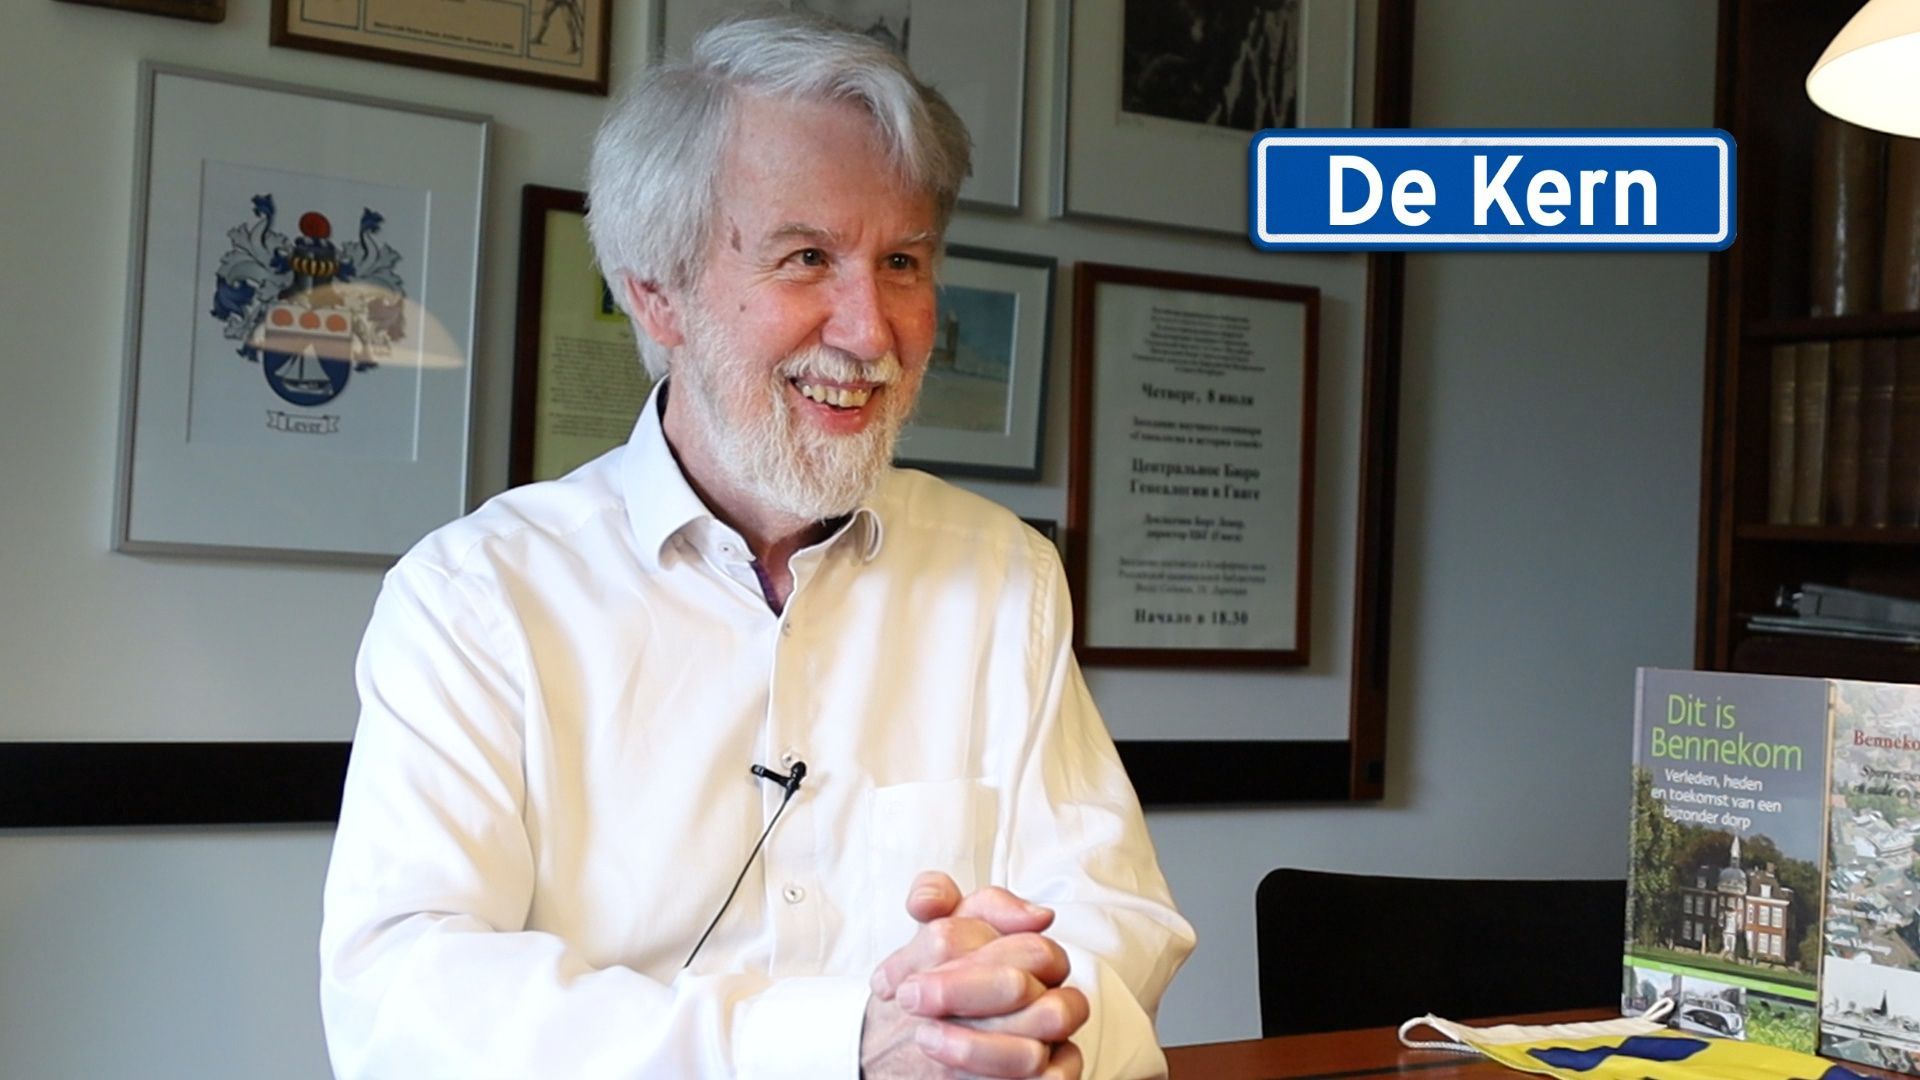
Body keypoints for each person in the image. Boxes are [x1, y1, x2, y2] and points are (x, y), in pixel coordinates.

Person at [319, 14, 1193, 1079]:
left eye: (903, 261)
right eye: (807, 258)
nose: (870, 330)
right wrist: (838, 1047)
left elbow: (1115, 918)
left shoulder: (1003, 574)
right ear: (658, 292)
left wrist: (1018, 1021)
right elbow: (407, 1002)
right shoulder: (476, 598)